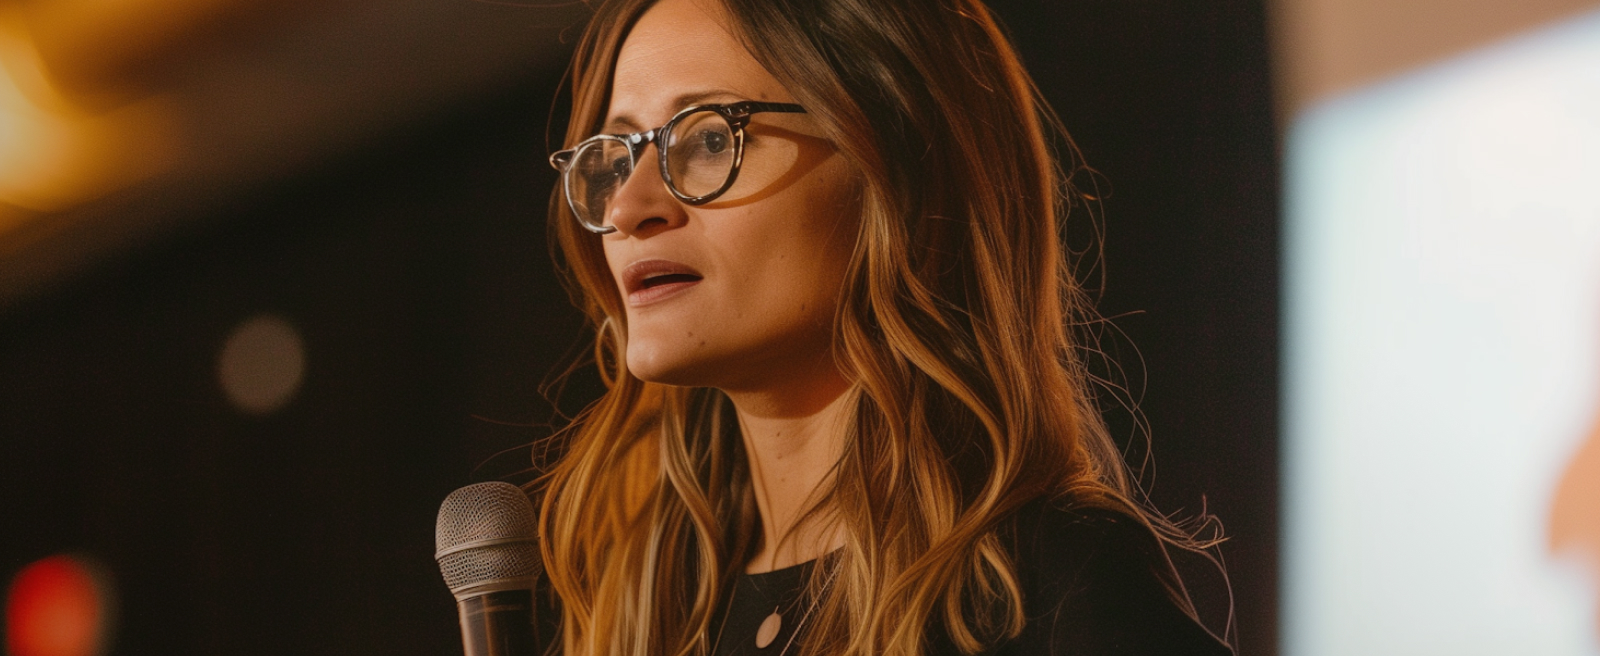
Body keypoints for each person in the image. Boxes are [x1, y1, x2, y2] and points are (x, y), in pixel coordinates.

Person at [534, 0, 1234, 654]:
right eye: (616, 157)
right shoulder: (644, 611)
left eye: (710, 139)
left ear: (894, 167)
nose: (627, 208)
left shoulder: (1046, 589)